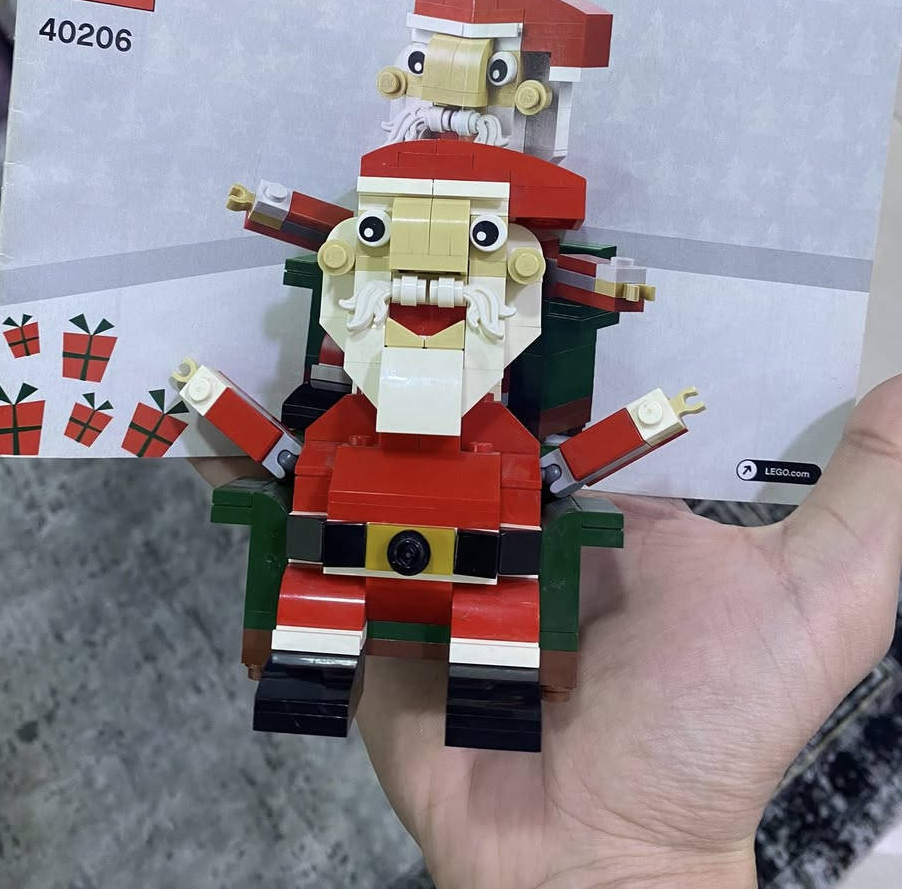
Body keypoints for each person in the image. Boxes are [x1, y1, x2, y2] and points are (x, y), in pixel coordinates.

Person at [356, 375, 902, 889]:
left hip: (486, 541)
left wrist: (652, 417)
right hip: (407, 522)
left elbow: (563, 466)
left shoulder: (507, 440)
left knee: (497, 638)